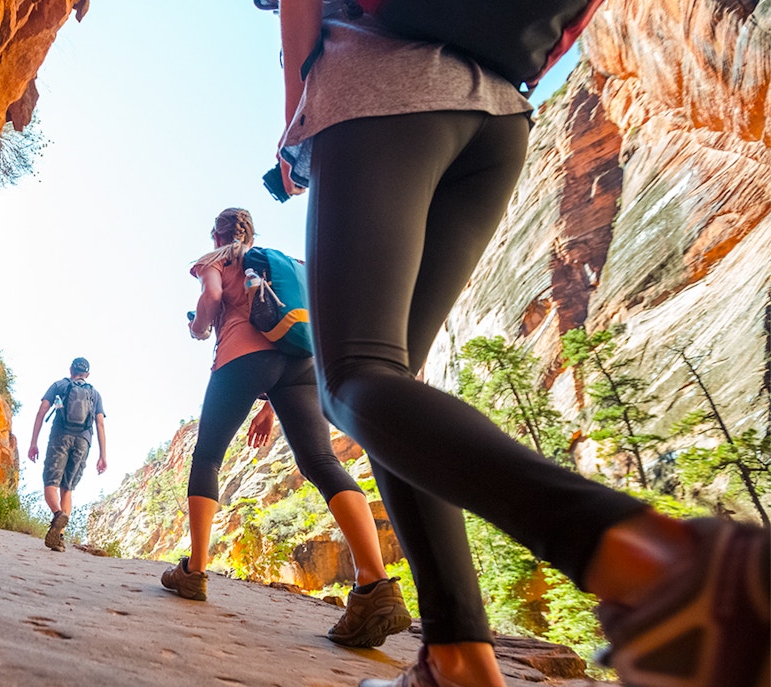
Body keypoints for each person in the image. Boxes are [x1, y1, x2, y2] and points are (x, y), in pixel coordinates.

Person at [273, 2, 769, 686]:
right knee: (391, 383)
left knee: (353, 377)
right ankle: (458, 660)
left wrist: (296, 112)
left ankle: (667, 563)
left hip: (380, 87)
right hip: (500, 120)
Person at [160, 207, 413, 649]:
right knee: (320, 460)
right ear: (252, 232)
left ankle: (194, 571)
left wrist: (198, 328)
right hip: (301, 364)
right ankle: (375, 584)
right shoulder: (284, 262)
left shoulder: (215, 258)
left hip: (241, 359)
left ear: (216, 232)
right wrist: (269, 409)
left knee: (207, 457)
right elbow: (285, 329)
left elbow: (213, 300)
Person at [27, 357, 107, 552]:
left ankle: (57, 514)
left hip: (60, 436)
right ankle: (59, 537)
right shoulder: (94, 394)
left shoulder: (59, 385)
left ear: (71, 369)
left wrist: (33, 442)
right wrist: (103, 455)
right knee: (67, 488)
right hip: (83, 441)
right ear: (87, 374)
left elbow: (41, 411)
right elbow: (100, 424)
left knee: (51, 484)